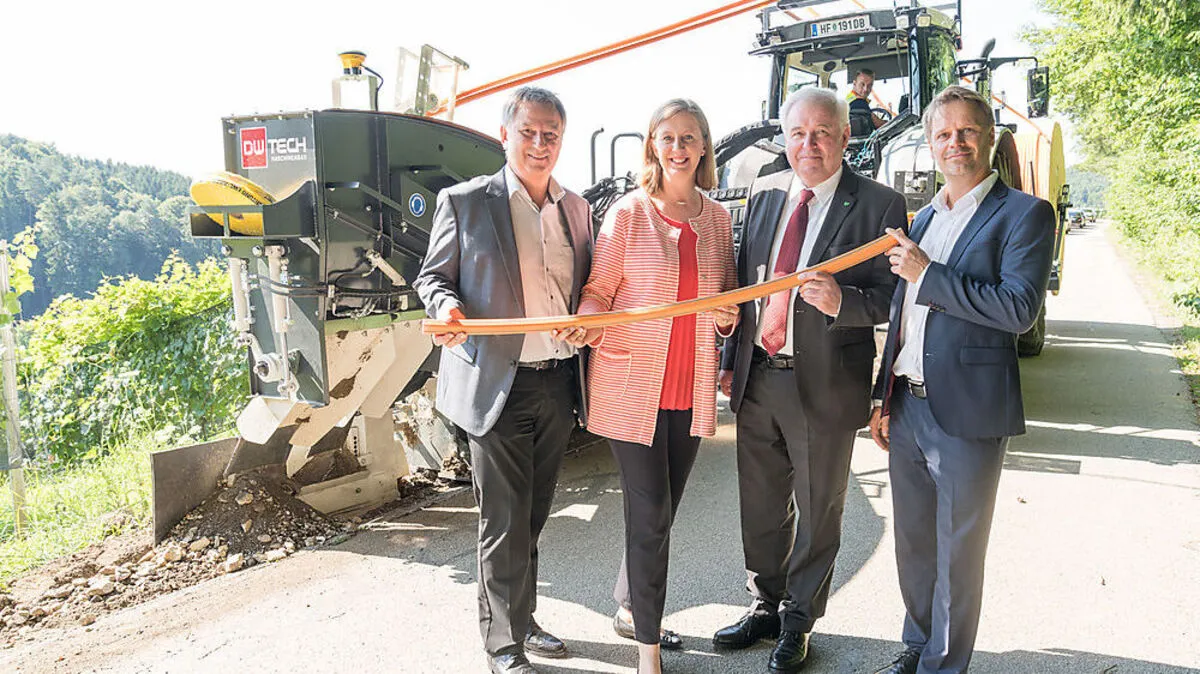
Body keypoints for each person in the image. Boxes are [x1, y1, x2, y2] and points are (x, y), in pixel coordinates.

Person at [713, 86, 905, 673]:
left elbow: (896, 295)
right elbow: (747, 278)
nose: (809, 145)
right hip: (759, 376)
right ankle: (765, 603)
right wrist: (728, 358)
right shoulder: (767, 192)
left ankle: (799, 620)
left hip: (825, 383)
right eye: (798, 133)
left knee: (819, 507)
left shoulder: (879, 203)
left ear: (846, 138)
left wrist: (841, 300)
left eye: (822, 133)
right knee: (761, 504)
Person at [867, 85, 1055, 674]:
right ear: (928, 144)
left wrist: (931, 274)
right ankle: (919, 643)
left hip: (969, 411)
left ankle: (944, 666)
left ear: (991, 137)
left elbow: (1018, 309)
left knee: (959, 550)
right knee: (914, 543)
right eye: (943, 134)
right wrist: (882, 394)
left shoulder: (1025, 214)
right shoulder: (923, 216)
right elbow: (902, 314)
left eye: (968, 130)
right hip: (908, 403)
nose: (956, 142)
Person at [413, 86, 594, 674]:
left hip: (557, 383)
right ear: (505, 135)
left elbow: (589, 287)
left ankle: (524, 620)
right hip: (497, 384)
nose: (540, 145)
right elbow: (433, 278)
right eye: (529, 133)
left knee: (535, 515)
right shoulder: (466, 202)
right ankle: (502, 646)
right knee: (503, 521)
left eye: (551, 135)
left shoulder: (576, 209)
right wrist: (446, 310)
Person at [556, 99, 738, 674]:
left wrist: (728, 318)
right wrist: (585, 318)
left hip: (690, 386)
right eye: (667, 138)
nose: (678, 147)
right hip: (632, 384)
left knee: (661, 510)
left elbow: (726, 300)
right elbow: (600, 289)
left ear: (703, 146)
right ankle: (648, 653)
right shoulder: (630, 214)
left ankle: (633, 603)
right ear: (653, 148)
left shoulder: (719, 220)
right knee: (652, 513)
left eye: (689, 137)